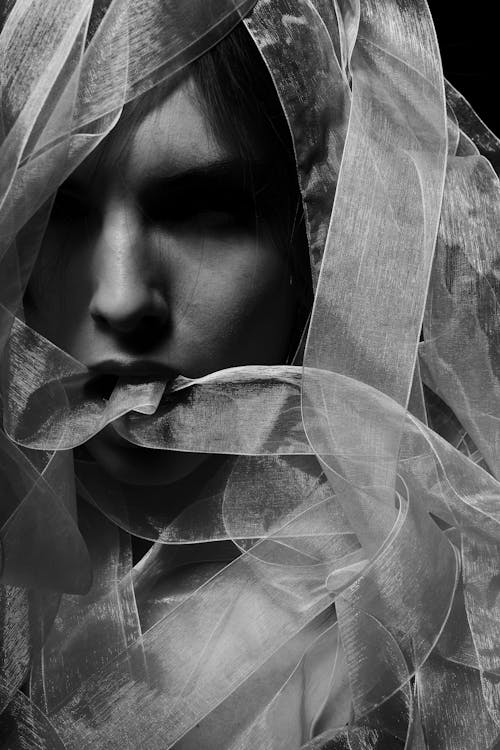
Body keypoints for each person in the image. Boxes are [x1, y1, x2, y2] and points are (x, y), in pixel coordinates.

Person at [0, 1, 499, 748]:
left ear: (320, 243)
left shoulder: (398, 659)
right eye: (62, 212)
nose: (122, 297)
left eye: (205, 213)